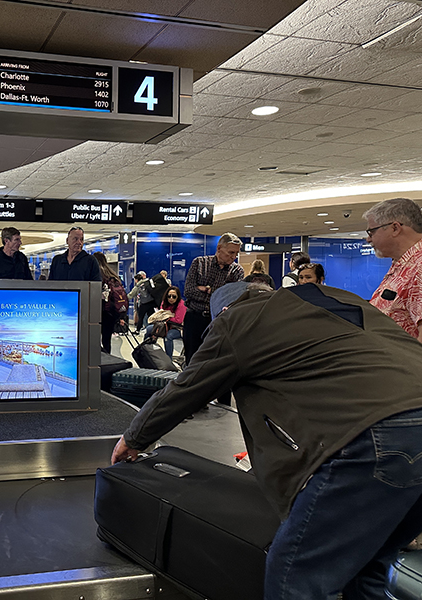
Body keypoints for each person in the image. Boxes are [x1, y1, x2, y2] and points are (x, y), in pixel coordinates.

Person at [111, 280, 422, 599]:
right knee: (366, 568)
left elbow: (185, 389)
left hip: (378, 434)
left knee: (295, 577)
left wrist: (134, 438)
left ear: (224, 312)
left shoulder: (238, 320)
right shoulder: (330, 297)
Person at [365, 197, 422, 341]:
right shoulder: (403, 263)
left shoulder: (419, 267)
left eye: (371, 232)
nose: (368, 239)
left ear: (395, 228)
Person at [183, 232, 244, 367]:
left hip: (219, 321)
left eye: (236, 254)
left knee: (215, 362)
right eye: (231, 252)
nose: (234, 257)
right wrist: (218, 295)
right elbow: (189, 291)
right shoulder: (199, 263)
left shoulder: (237, 271)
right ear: (219, 249)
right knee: (192, 360)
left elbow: (233, 299)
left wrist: (205, 289)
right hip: (195, 319)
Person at [94, 252, 128, 353]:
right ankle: (108, 359)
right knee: (106, 339)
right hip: (112, 312)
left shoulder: (97, 273)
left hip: (100, 310)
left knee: (95, 339)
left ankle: (98, 360)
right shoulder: (112, 274)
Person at [145, 285, 185, 359]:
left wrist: (166, 317)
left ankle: (168, 358)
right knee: (149, 329)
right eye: (169, 296)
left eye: (174, 296)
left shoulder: (181, 305)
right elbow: (161, 314)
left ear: (178, 297)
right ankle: (146, 353)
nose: (171, 298)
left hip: (177, 328)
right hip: (164, 326)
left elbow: (178, 320)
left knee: (168, 336)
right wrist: (169, 316)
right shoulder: (164, 303)